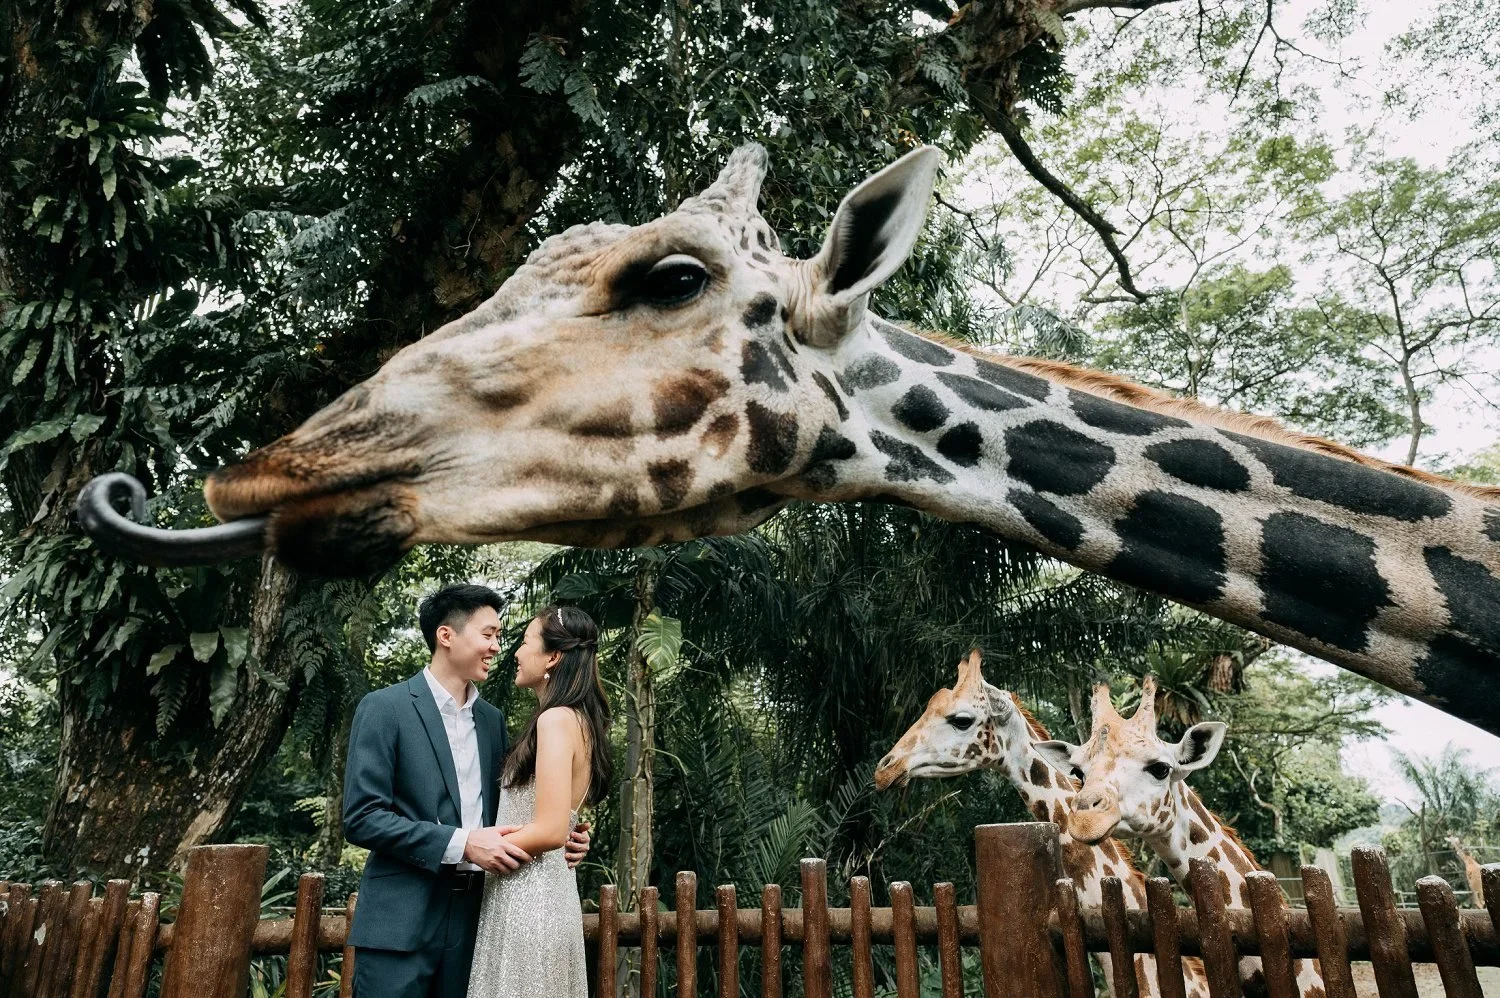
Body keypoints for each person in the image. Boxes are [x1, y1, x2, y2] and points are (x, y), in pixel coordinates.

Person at [342, 585, 592, 998]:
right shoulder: (384, 708)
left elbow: (515, 807)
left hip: (479, 920)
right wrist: (463, 845)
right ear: (447, 636)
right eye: (488, 634)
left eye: (501, 636)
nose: (498, 646)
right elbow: (362, 818)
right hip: (399, 920)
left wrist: (569, 832)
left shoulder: (492, 721)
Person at [465, 604, 612, 998]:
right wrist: (575, 832)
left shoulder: (555, 719)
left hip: (528, 902)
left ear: (552, 656)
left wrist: (468, 849)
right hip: (551, 896)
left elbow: (548, 830)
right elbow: (562, 819)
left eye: (525, 641)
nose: (514, 651)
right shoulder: (580, 720)